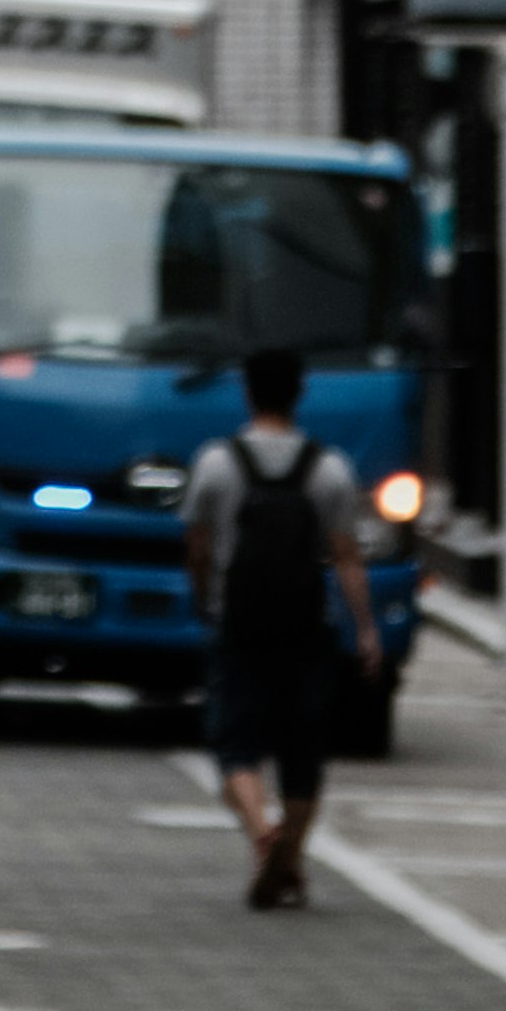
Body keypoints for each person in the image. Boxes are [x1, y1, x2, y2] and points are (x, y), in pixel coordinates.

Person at [182, 342, 379, 908]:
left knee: (233, 744)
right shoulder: (330, 468)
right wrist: (364, 629)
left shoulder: (217, 462)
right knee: (304, 751)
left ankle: (260, 831)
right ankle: (289, 853)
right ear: (299, 395)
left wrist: (204, 600)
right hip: (306, 627)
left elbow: (196, 545)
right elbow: (345, 556)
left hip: (238, 623)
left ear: (247, 392)